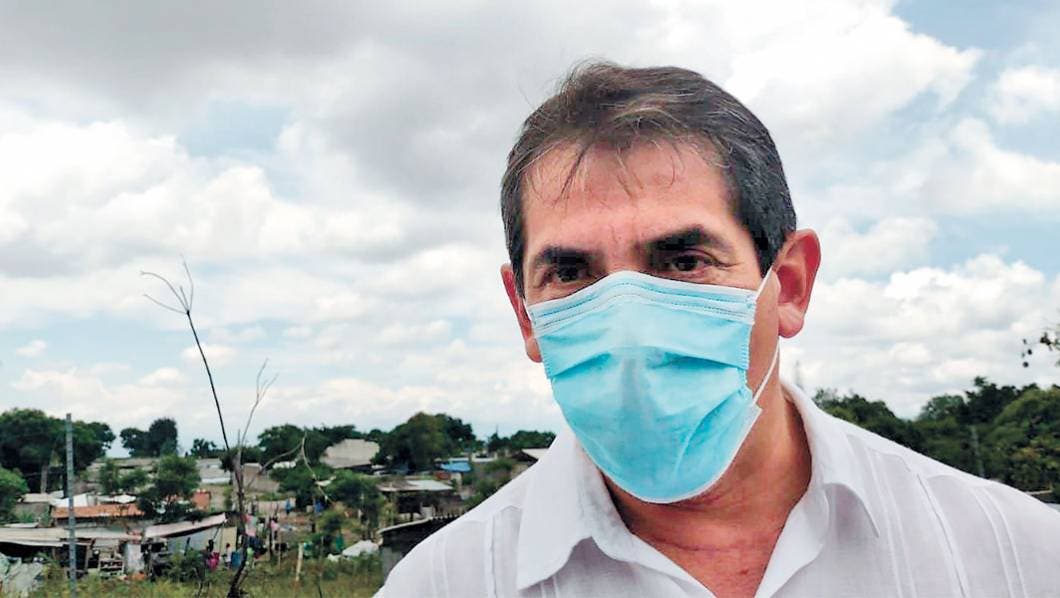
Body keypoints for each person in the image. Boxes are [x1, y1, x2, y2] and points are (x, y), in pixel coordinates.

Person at [378, 62, 1060, 597]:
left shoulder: (1018, 557)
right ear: (525, 312)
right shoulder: (441, 586)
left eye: (684, 261)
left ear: (789, 284)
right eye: (571, 273)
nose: (628, 323)